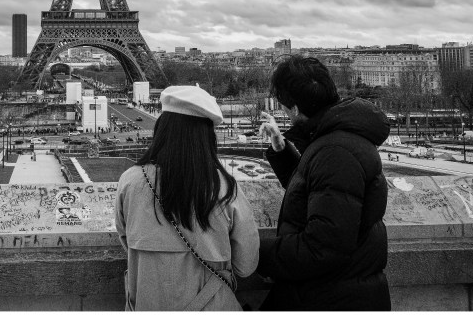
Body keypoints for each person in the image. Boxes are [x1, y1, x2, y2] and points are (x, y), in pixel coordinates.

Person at [256, 55, 391, 311]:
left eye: (283, 105)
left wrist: (252, 251)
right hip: (340, 292)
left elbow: (322, 247)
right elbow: (317, 193)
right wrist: (282, 148)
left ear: (294, 108)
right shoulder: (338, 140)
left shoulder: (335, 151)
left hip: (329, 297)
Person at [116, 85, 260, 311]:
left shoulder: (130, 181)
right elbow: (246, 265)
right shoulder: (225, 188)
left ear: (162, 129)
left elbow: (126, 240)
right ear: (206, 137)